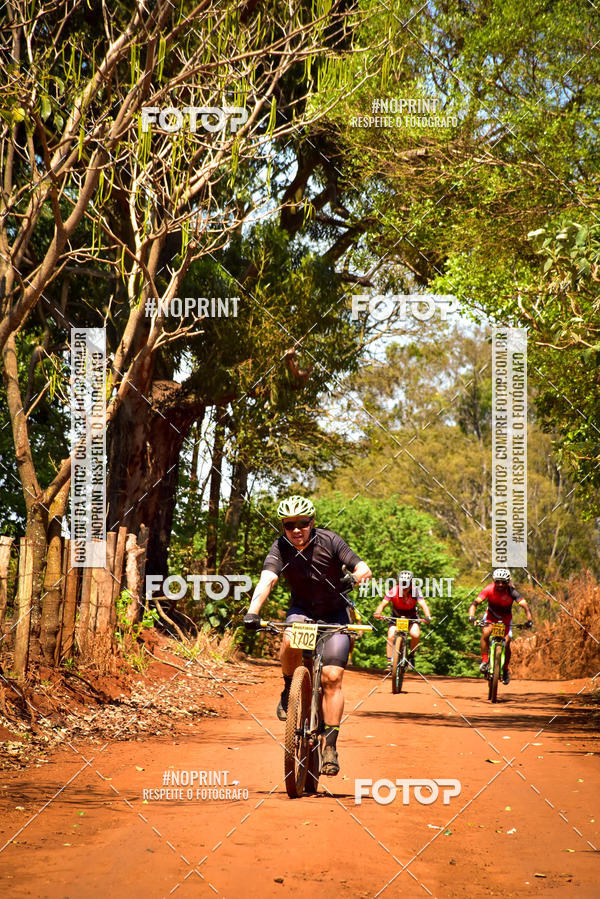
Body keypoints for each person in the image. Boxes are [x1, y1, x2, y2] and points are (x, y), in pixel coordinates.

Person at [243, 495, 371, 777]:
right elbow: (268, 579)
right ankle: (289, 687)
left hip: (335, 614)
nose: (296, 530)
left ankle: (330, 746)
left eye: (302, 523)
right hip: (302, 611)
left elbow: (363, 568)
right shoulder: (280, 547)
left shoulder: (330, 540)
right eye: (289, 525)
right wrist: (253, 611)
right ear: (283, 527)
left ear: (312, 522)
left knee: (332, 678)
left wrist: (355, 577)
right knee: (289, 640)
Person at [468, 568, 533, 684]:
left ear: (508, 582)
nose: (500, 585)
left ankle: (505, 669)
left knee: (507, 643)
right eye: (498, 581)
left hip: (505, 619)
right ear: (494, 581)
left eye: (503, 582)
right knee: (486, 633)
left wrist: (529, 620)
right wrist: (471, 616)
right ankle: (484, 661)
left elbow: (525, 607)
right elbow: (475, 603)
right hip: (490, 617)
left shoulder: (512, 592)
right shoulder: (488, 589)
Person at [373, 571, 431, 668]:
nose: (404, 587)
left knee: (415, 634)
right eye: (402, 584)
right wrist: (377, 613)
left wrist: (428, 616)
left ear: (411, 584)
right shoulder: (393, 591)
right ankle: (389, 663)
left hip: (412, 616)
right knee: (391, 635)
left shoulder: (416, 591)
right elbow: (383, 604)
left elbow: (423, 605)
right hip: (396, 616)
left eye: (406, 584)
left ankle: (411, 656)